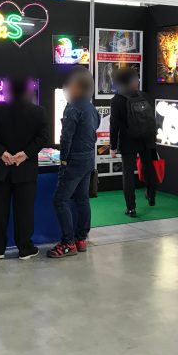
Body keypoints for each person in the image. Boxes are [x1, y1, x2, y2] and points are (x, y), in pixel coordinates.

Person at [0, 76, 49, 260]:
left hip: (1, 169)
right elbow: (43, 137)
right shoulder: (38, 112)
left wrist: (1, 153)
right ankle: (25, 249)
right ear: (27, 90)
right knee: (24, 211)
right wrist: (25, 154)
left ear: (7, 90)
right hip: (25, 170)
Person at [48, 69, 100, 259]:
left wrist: (63, 159)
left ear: (77, 87)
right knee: (82, 198)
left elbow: (66, 137)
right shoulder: (91, 108)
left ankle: (68, 243)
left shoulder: (73, 108)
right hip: (88, 159)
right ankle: (81, 239)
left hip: (74, 160)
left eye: (70, 86)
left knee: (60, 200)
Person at [110, 67, 157, 217]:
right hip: (146, 139)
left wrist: (113, 146)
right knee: (148, 166)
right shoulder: (144, 96)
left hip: (128, 140)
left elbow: (114, 125)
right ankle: (151, 196)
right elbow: (151, 119)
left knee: (128, 173)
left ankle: (131, 208)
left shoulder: (117, 100)